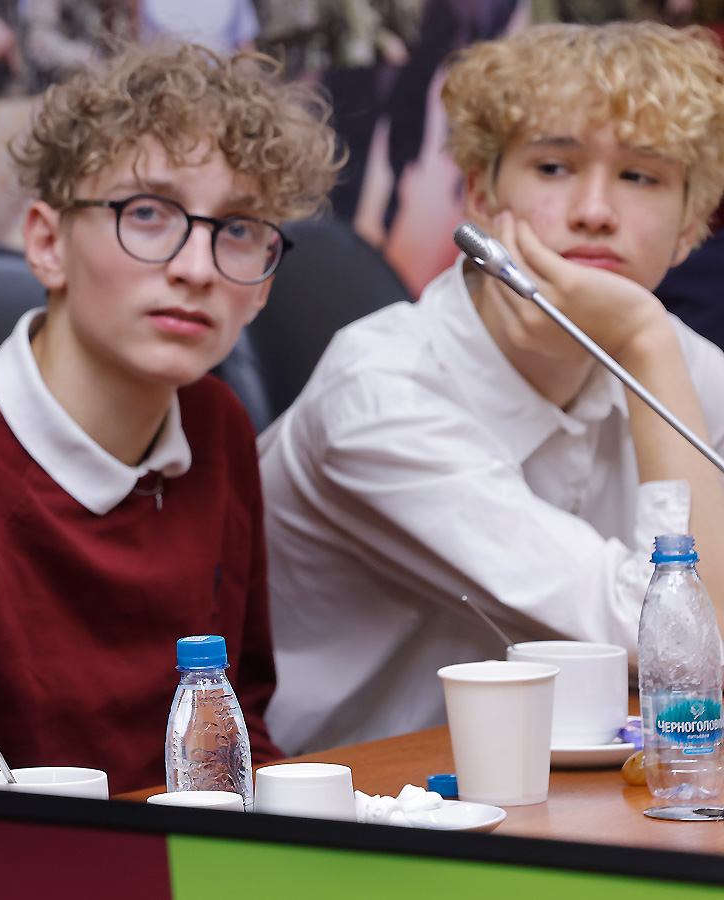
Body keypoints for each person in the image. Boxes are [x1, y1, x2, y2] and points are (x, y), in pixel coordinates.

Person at [259, 21, 724, 754]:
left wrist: (651, 346)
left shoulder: (685, 367)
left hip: (583, 786)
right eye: (553, 167)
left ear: (690, 226)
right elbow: (681, 647)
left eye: (641, 176)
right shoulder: (380, 391)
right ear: (479, 192)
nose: (594, 210)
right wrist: (642, 335)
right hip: (361, 796)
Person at [0, 42, 338, 792]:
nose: (196, 269)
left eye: (238, 229)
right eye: (147, 214)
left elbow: (239, 717)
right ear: (47, 243)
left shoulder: (218, 425)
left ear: (265, 285)